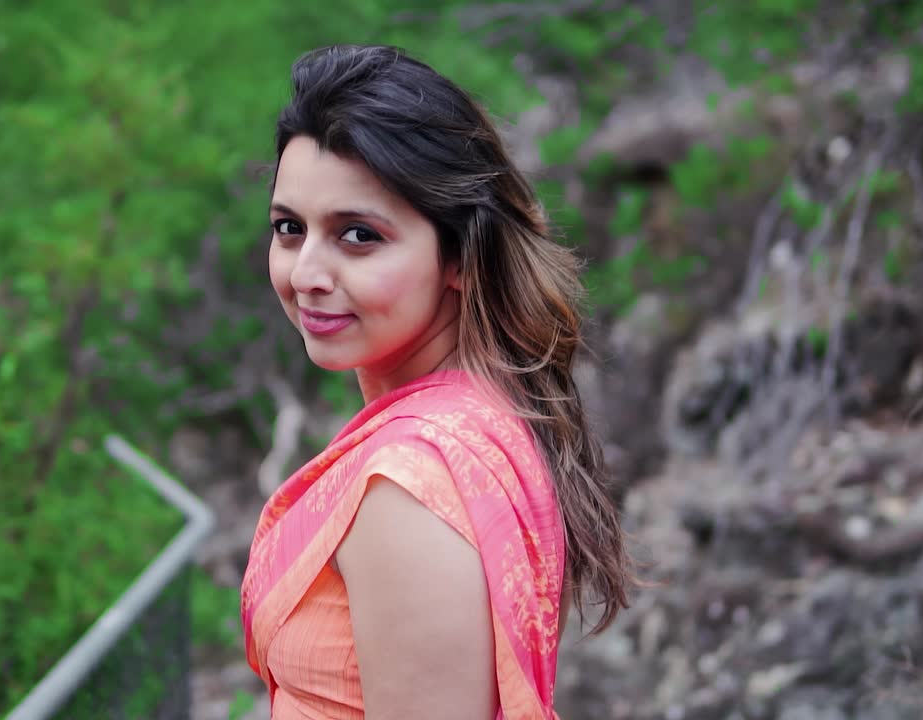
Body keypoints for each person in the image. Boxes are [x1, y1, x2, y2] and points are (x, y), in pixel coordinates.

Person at [240, 44, 634, 720]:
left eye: (358, 235)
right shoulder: (482, 419)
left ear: (460, 256)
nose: (306, 272)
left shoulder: (410, 490)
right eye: (289, 228)